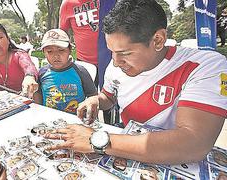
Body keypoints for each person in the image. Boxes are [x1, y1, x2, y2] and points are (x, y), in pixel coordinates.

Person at [44, 0, 227, 165]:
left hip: (176, 162)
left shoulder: (207, 66)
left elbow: (193, 145)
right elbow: (109, 97)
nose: (115, 62)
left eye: (124, 53)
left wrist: (97, 140)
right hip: (125, 154)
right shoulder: (116, 64)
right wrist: (96, 101)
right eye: (111, 52)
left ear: (158, 40)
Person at [33, 29, 97, 114]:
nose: (56, 55)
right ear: (44, 52)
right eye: (50, 51)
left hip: (76, 120)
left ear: (70, 49)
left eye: (61, 50)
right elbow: (37, 95)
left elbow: (93, 97)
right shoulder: (41, 73)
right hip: (49, 119)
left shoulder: (81, 71)